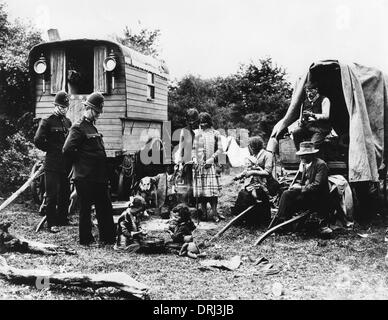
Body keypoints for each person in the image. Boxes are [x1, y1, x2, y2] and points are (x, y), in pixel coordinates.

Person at [63, 92, 115, 246]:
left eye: (99, 112)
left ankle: (108, 238)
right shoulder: (78, 127)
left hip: (98, 176)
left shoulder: (92, 127)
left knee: (104, 206)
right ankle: (85, 239)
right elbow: (67, 150)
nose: (98, 115)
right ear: (89, 109)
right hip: (85, 177)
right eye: (96, 112)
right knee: (85, 208)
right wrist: (81, 162)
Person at [34, 91, 72, 233]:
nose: (63, 109)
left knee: (65, 193)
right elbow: (38, 140)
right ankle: (52, 223)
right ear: (55, 106)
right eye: (61, 107)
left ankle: (63, 219)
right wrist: (51, 149)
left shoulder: (68, 122)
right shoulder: (47, 121)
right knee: (52, 194)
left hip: (65, 164)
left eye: (65, 107)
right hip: (52, 163)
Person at [276, 141, 331, 234]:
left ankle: (283, 223)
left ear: (312, 155)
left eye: (305, 155)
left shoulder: (321, 165)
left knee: (290, 196)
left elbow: (317, 185)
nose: (301, 157)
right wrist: (297, 186)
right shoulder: (305, 164)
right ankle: (283, 222)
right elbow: (303, 181)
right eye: (301, 155)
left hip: (317, 198)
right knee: (285, 193)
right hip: (307, 193)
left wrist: (300, 188)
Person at [232, 136, 277, 226]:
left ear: (253, 147)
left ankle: (257, 220)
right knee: (243, 194)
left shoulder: (267, 155)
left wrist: (252, 172)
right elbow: (247, 170)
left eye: (250, 147)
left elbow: (267, 172)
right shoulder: (253, 156)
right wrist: (240, 176)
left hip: (266, 184)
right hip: (254, 183)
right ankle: (247, 219)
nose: (250, 149)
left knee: (247, 194)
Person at [192, 112, 224, 222]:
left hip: (211, 166)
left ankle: (215, 213)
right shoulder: (197, 134)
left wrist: (212, 159)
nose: (202, 125)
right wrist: (195, 159)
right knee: (202, 193)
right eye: (201, 123)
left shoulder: (216, 133)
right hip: (200, 167)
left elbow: (220, 150)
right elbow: (193, 149)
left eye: (204, 123)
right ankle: (204, 213)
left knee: (213, 193)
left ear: (209, 122)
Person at [292, 82, 332, 151]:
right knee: (296, 132)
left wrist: (313, 115)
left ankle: (312, 159)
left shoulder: (324, 100)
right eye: (307, 91)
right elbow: (300, 117)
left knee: (312, 145)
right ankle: (301, 155)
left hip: (320, 128)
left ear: (316, 90)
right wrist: (301, 121)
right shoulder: (304, 102)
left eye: (311, 91)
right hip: (308, 128)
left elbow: (326, 116)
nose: (308, 93)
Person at [176, 108, 200, 206]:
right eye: (190, 121)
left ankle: (199, 201)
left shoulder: (201, 130)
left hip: (199, 158)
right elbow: (181, 146)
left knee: (198, 181)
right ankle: (190, 202)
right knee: (189, 181)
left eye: (193, 121)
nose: (192, 123)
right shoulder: (184, 131)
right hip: (188, 158)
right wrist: (180, 160)